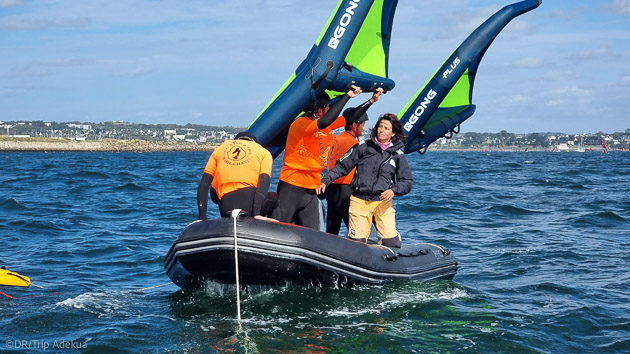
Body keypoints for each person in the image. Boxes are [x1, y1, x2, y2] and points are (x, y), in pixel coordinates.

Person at [271, 85, 363, 229]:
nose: (328, 112)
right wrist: (348, 95)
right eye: (327, 108)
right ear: (320, 110)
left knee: (313, 233)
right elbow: (325, 121)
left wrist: (371, 101)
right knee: (278, 227)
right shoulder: (301, 124)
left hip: (312, 188)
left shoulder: (324, 127)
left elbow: (348, 118)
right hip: (292, 184)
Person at [318, 114, 413, 248]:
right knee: (357, 245)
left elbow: (407, 181)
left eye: (386, 128)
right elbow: (342, 166)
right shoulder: (363, 147)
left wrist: (394, 190)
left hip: (382, 204)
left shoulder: (397, 155)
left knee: (391, 243)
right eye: (380, 126)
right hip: (359, 202)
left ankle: (393, 241)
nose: (382, 130)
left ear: (393, 133)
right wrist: (325, 180)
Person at [325, 88, 383, 235]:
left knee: (332, 230)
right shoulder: (353, 143)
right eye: (362, 125)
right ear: (354, 124)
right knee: (357, 232)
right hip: (346, 191)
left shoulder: (334, 139)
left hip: (330, 189)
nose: (363, 128)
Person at [197, 131, 277, 221]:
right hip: (250, 206)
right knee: (275, 197)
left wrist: (201, 219)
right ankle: (270, 228)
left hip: (225, 207)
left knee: (216, 187)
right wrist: (256, 214)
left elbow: (204, 185)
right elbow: (264, 181)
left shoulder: (220, 149)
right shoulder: (263, 152)